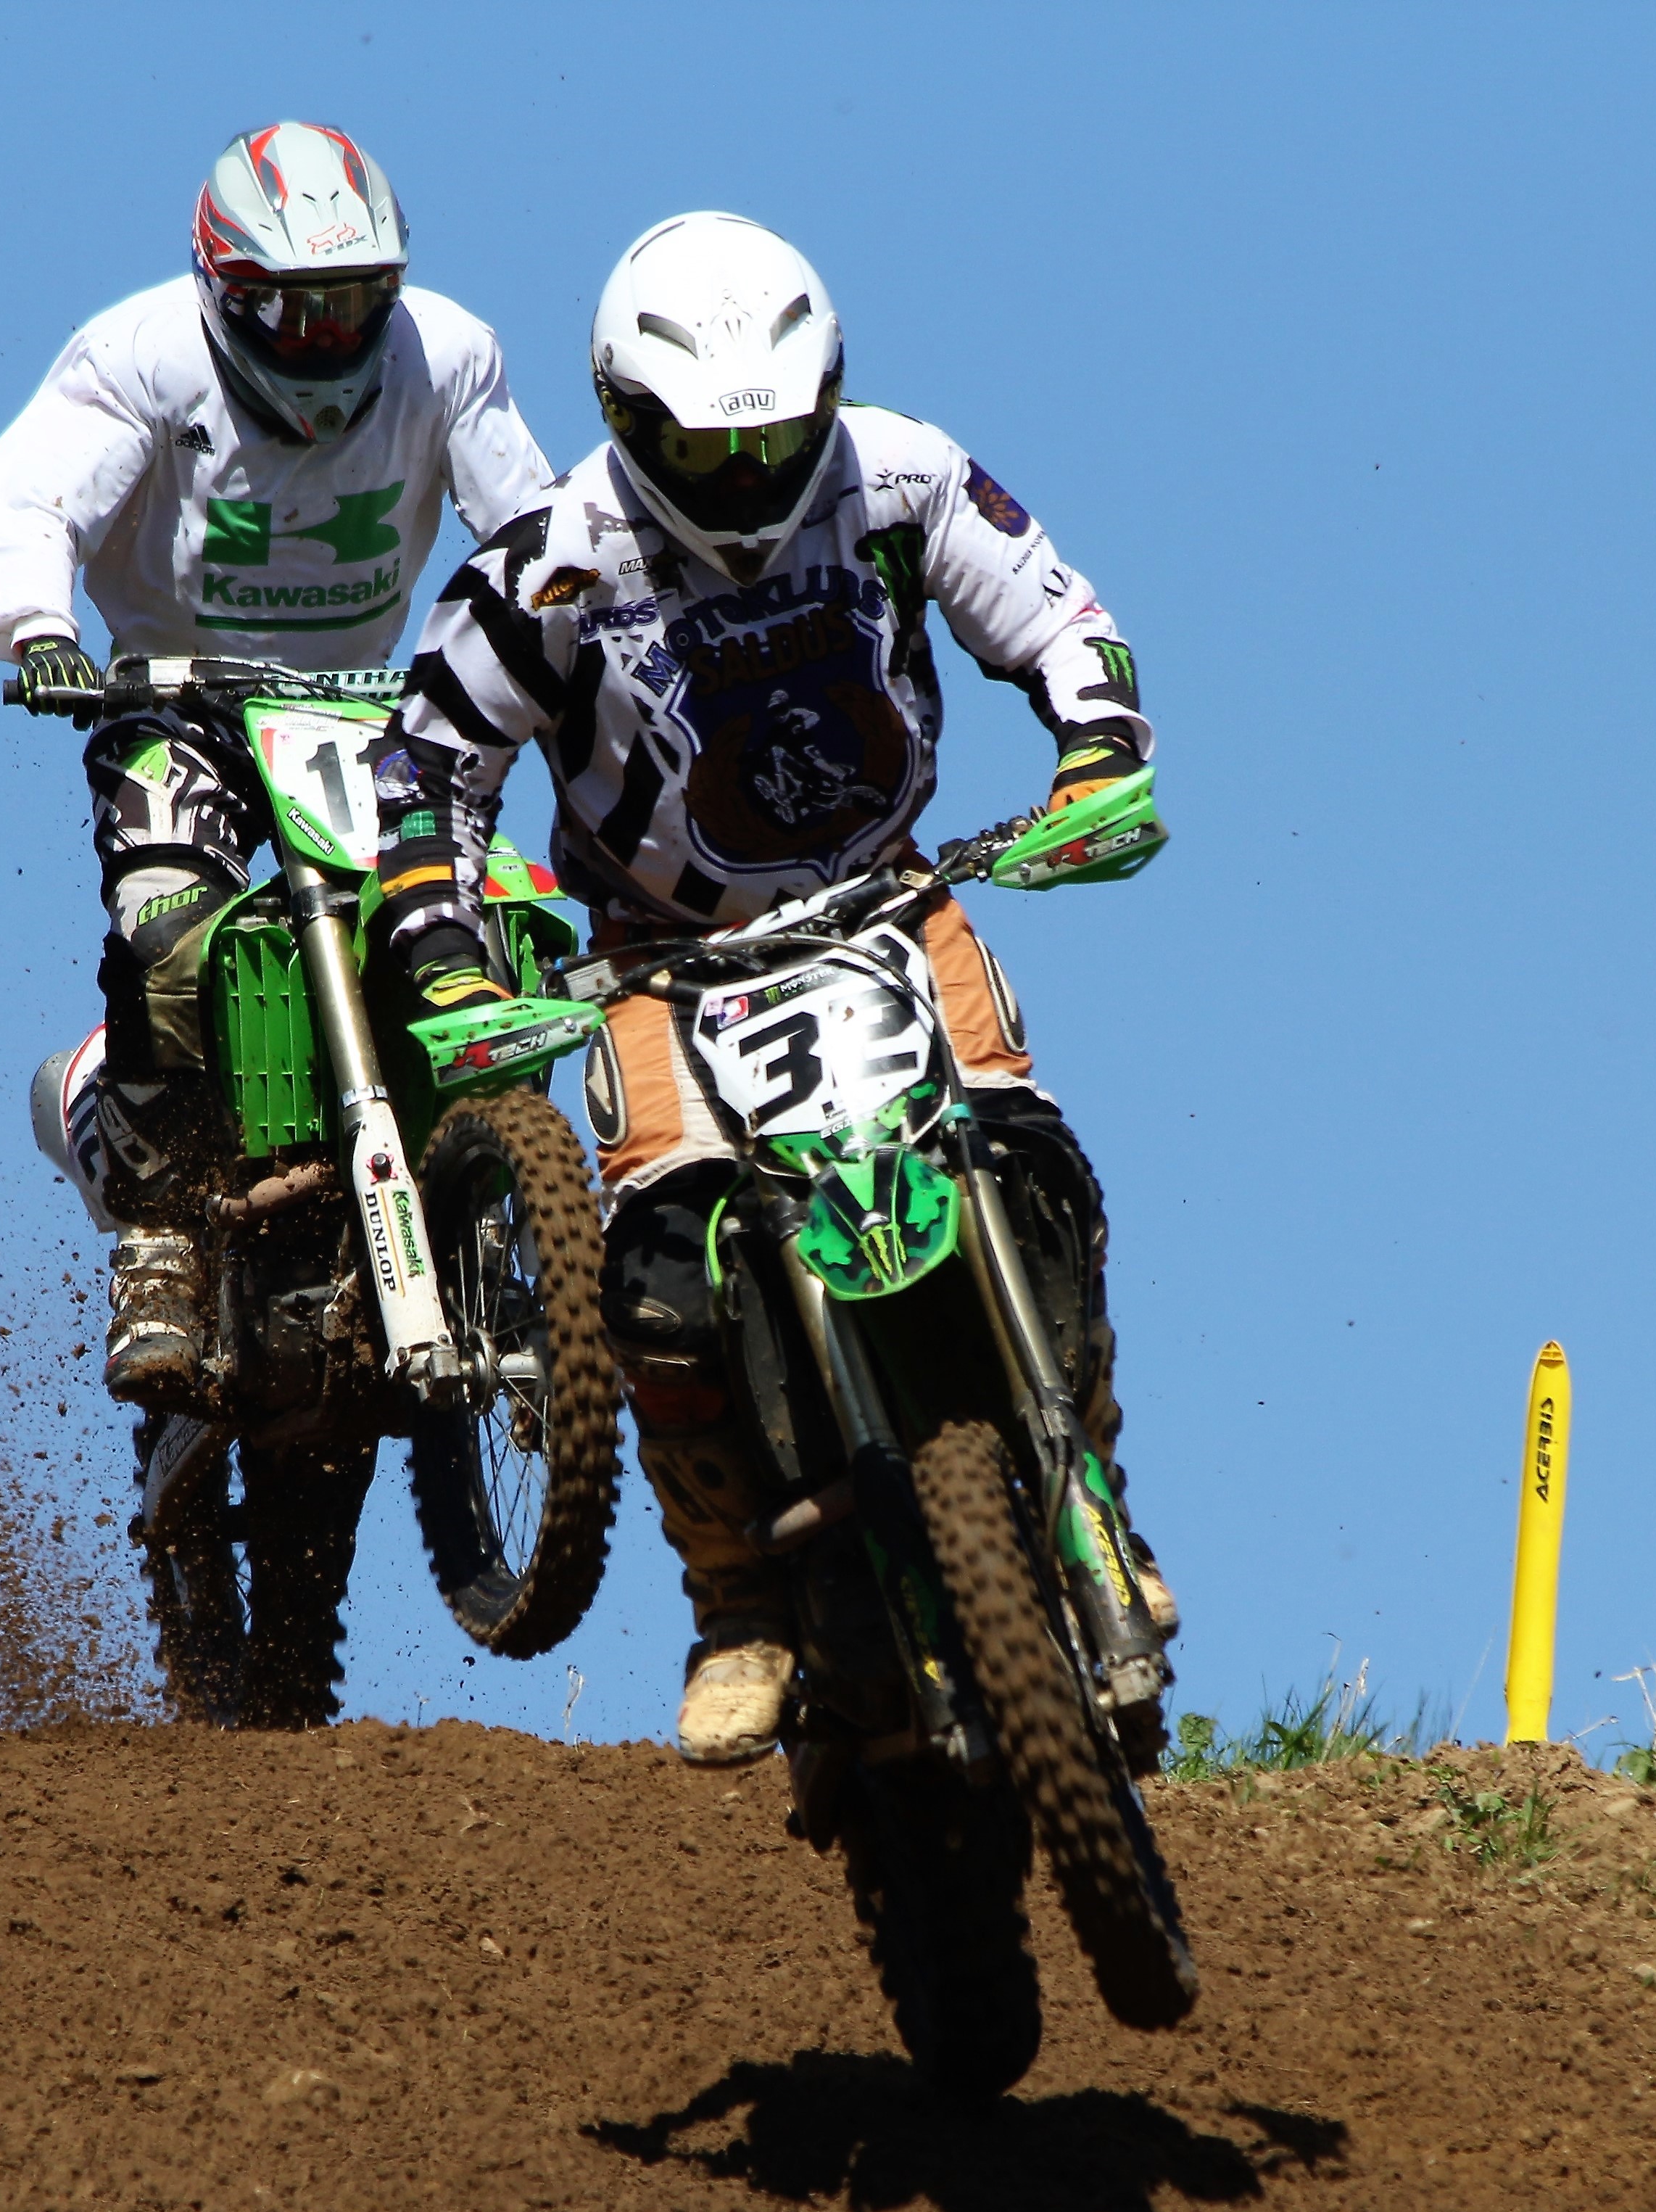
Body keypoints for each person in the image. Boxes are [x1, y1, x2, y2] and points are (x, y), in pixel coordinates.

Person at [367, 211, 1169, 1769]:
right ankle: (736, 1602)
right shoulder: (546, 561)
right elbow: (425, 771)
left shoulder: (902, 475)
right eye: (704, 449)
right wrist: (441, 952)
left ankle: (1094, 1506)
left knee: (1035, 1174)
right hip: (658, 956)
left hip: (891, 895)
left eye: (773, 441)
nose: (745, 480)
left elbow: (1059, 614)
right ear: (625, 414)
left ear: (828, 395)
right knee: (661, 1276)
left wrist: (1099, 752)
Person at [0, 121, 551, 1404]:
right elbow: (26, 497)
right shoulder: (143, 356)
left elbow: (539, 537)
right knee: (168, 933)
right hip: (181, 699)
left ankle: (487, 1200)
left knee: (476, 917)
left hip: (373, 709)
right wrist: (39, 625)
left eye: (355, 301)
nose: (327, 336)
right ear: (224, 287)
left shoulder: (448, 354)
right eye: (293, 306)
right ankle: (159, 1238)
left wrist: (582, 640)